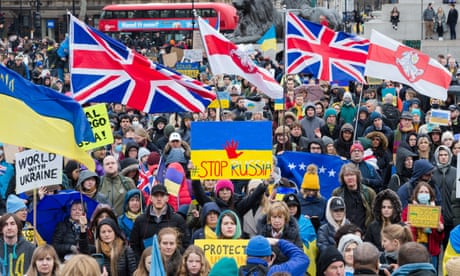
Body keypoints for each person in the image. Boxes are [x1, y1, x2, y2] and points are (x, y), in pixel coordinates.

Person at [129, 185, 188, 258]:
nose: (159, 199)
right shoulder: (140, 220)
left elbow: (185, 244)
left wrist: (174, 261)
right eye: (156, 196)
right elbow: (134, 245)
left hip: (171, 265)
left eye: (162, 196)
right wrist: (141, 263)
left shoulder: (178, 220)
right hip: (147, 264)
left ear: (167, 198)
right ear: (151, 198)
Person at [401, 182, 444, 271]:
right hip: (413, 251)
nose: (423, 194)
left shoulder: (435, 212)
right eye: (421, 192)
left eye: (426, 192)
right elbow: (405, 236)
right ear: (416, 194)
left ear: (430, 195)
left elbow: (439, 239)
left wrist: (439, 230)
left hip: (431, 252)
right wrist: (407, 227)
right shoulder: (408, 211)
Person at [332, 163, 376, 232]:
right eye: (346, 175)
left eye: (352, 175)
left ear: (357, 176)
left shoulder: (369, 192)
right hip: (344, 232)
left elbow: (375, 214)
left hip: (365, 233)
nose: (349, 178)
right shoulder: (337, 193)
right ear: (342, 178)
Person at [432, 145, 460, 249]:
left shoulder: (456, 172)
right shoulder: (432, 172)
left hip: (452, 218)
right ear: (437, 157)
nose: (443, 157)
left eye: (445, 155)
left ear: (449, 156)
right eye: (440, 155)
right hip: (437, 219)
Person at [240, 235, 309, 276]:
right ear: (270, 257)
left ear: (246, 256)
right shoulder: (277, 271)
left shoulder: (234, 272)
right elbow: (302, 259)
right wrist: (278, 242)